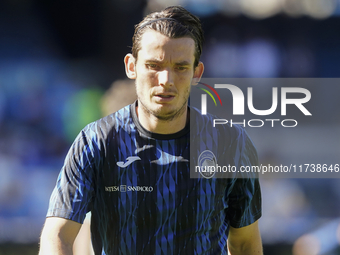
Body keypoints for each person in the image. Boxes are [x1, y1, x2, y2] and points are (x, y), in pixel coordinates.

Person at [39, 5, 262, 255]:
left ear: (197, 73)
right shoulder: (96, 142)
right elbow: (57, 236)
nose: (166, 80)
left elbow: (244, 243)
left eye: (180, 67)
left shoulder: (230, 143)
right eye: (154, 66)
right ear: (131, 67)